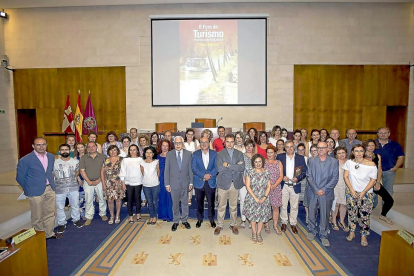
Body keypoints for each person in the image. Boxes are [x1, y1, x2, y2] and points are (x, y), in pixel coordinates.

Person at [16, 137, 57, 239]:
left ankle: (49, 233)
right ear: (33, 146)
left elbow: (49, 172)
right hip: (34, 191)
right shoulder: (25, 160)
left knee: (50, 213)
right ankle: (39, 238)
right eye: (38, 145)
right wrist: (28, 189)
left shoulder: (51, 157)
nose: (41, 147)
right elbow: (20, 178)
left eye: (43, 144)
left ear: (46, 145)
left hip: (49, 189)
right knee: (37, 216)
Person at [306, 141, 339, 247]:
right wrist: (316, 189)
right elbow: (309, 176)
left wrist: (324, 189)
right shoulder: (311, 161)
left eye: (323, 147)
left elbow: (335, 178)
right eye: (319, 148)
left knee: (325, 215)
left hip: (326, 193)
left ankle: (323, 235)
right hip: (313, 192)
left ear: (328, 149)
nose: (321, 150)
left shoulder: (334, 162)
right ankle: (311, 231)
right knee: (311, 213)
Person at [343, 144, 377, 247]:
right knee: (352, 213)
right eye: (356, 151)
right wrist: (352, 190)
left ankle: (364, 235)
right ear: (353, 152)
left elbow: (373, 180)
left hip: (366, 193)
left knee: (364, 215)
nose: (358, 153)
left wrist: (363, 192)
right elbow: (346, 177)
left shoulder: (371, 165)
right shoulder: (349, 163)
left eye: (361, 151)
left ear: (364, 152)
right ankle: (352, 231)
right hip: (351, 192)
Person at [214, 134, 245, 236]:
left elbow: (241, 168)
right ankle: (220, 225)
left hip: (235, 183)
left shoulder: (239, 153)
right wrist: (235, 166)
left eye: (232, 142)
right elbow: (220, 169)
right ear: (224, 142)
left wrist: (227, 165)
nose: (230, 144)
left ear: (234, 142)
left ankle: (233, 224)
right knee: (221, 206)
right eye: (228, 142)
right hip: (223, 183)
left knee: (233, 206)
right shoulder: (219, 154)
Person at [276, 140, 307, 235]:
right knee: (283, 205)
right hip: (284, 185)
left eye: (291, 146)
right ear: (285, 148)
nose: (289, 149)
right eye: (287, 147)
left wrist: (297, 179)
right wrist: (282, 177)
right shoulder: (280, 157)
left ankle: (293, 223)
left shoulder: (300, 158)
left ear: (294, 147)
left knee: (294, 206)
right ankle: (284, 222)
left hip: (295, 185)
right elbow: (276, 170)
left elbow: (304, 172)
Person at [165, 136, 193, 231]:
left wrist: (191, 182)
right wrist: (167, 184)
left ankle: (185, 220)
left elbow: (190, 169)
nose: (178, 145)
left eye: (179, 143)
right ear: (173, 144)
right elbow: (166, 170)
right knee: (175, 204)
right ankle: (176, 221)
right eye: (176, 143)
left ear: (182, 143)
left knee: (185, 203)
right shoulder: (169, 154)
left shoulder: (188, 154)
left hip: (185, 183)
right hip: (174, 184)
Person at [54, 144, 84, 234]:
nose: (64, 151)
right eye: (62, 150)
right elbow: (52, 174)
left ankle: (76, 219)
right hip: (59, 188)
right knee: (60, 207)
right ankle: (61, 223)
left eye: (66, 149)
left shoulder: (75, 162)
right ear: (59, 151)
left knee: (75, 204)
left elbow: (77, 172)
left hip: (73, 187)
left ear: (69, 151)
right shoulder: (54, 162)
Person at [364, 139, 394, 224]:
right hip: (364, 183)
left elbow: (379, 170)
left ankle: (383, 215)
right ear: (365, 146)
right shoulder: (361, 156)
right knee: (367, 202)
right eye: (369, 145)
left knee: (389, 200)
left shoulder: (377, 156)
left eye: (372, 145)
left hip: (374, 182)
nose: (371, 147)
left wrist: (377, 182)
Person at [243, 154, 271, 243]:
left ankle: (259, 233)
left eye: (260, 161)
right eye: (256, 162)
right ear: (253, 163)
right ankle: (254, 233)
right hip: (252, 198)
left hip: (264, 197)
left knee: (262, 217)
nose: (258, 164)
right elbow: (248, 186)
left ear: (262, 162)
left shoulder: (267, 172)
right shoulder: (250, 172)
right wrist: (255, 198)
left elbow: (269, 186)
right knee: (253, 217)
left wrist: (264, 197)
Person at [79, 141, 108, 226]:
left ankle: (103, 214)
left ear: (96, 147)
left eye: (93, 146)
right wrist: (88, 181)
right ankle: (89, 216)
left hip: (100, 181)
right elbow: (82, 171)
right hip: (88, 182)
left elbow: (106, 170)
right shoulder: (83, 158)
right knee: (89, 199)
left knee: (102, 198)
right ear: (87, 148)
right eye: (89, 147)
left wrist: (99, 180)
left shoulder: (103, 157)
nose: (91, 148)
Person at [192, 136, 218, 228]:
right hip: (199, 181)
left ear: (209, 143)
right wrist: (203, 175)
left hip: (211, 181)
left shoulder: (214, 154)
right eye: (202, 142)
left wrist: (209, 175)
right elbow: (194, 168)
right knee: (199, 202)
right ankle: (200, 219)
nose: (204, 144)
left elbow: (217, 167)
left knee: (211, 203)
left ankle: (211, 219)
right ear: (200, 143)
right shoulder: (195, 154)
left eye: (206, 142)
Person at [374, 127, 404, 197]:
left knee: (388, 190)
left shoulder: (395, 145)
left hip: (389, 171)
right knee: (374, 189)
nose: (383, 135)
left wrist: (395, 168)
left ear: (389, 134)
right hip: (374, 171)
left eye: (385, 133)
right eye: (381, 133)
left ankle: (387, 207)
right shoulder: (372, 144)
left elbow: (401, 157)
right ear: (377, 134)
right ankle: (372, 206)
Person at [101, 145, 125, 224]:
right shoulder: (105, 160)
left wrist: (124, 183)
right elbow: (102, 173)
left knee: (118, 199)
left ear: (117, 151)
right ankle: (112, 216)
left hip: (119, 183)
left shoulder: (122, 160)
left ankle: (117, 215)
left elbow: (125, 172)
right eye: (111, 150)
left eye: (114, 150)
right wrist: (103, 184)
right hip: (108, 183)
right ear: (108, 152)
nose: (113, 152)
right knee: (110, 200)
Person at [120, 144, 143, 223]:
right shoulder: (125, 160)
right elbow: (122, 172)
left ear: (137, 151)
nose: (132, 151)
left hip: (138, 182)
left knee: (138, 199)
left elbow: (143, 171)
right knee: (129, 200)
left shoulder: (141, 159)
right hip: (128, 183)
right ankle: (130, 216)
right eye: (131, 150)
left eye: (134, 150)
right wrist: (123, 183)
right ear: (129, 151)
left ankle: (138, 214)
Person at [264, 144, 283, 234]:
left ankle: (275, 225)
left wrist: (274, 185)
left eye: (271, 152)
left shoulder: (279, 162)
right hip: (265, 188)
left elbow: (281, 176)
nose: (269, 154)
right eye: (268, 152)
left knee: (275, 207)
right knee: (266, 207)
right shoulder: (263, 162)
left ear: (275, 153)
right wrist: (268, 185)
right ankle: (266, 224)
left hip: (276, 187)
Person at [141, 146, 160, 225]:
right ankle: (151, 216)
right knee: (149, 202)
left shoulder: (156, 162)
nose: (148, 154)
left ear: (153, 154)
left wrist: (155, 180)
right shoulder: (142, 163)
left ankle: (155, 216)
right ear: (144, 154)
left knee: (155, 201)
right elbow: (142, 174)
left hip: (155, 185)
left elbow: (158, 172)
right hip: (146, 185)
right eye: (147, 152)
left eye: (150, 153)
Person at [331, 146, 349, 232]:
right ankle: (334, 221)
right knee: (336, 204)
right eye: (339, 153)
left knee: (344, 204)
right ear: (336, 155)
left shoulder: (350, 162)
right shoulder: (333, 162)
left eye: (343, 153)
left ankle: (342, 221)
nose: (341, 155)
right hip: (336, 186)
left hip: (347, 186)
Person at [157, 139, 174, 222]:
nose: (164, 147)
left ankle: (170, 215)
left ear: (169, 147)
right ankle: (163, 215)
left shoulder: (172, 156)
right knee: (162, 197)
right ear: (160, 146)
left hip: (170, 179)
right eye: (163, 145)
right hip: (161, 179)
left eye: (166, 146)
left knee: (170, 197)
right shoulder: (157, 157)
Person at [241, 139, 255, 229]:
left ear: (253, 147)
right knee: (243, 201)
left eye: (251, 146)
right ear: (245, 147)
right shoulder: (241, 156)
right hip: (243, 182)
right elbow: (241, 169)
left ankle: (251, 220)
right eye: (247, 146)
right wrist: (244, 180)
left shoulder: (256, 157)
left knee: (252, 202)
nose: (249, 148)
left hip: (254, 183)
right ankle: (243, 220)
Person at [184, 128, 200, 206]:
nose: (190, 136)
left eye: (191, 134)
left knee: (194, 180)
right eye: (188, 134)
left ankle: (197, 196)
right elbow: (183, 154)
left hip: (195, 164)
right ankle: (188, 198)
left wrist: (190, 153)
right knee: (188, 181)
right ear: (186, 135)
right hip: (186, 165)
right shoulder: (183, 143)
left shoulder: (196, 142)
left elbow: (198, 152)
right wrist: (192, 152)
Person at [297, 143, 309, 223]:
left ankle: (308, 216)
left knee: (306, 199)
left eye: (302, 150)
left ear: (305, 150)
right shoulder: (295, 159)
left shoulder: (308, 159)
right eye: (299, 150)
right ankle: (295, 216)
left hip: (306, 181)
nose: (301, 151)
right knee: (297, 199)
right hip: (298, 180)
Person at [75, 143, 86, 220]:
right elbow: (75, 171)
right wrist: (79, 179)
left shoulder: (88, 157)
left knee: (89, 197)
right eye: (78, 148)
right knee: (81, 197)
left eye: (81, 147)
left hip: (89, 179)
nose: (80, 149)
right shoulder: (75, 159)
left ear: (84, 148)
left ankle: (89, 213)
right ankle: (82, 213)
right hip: (80, 180)